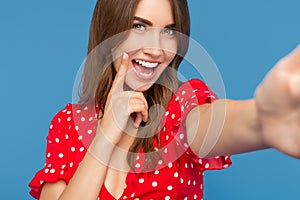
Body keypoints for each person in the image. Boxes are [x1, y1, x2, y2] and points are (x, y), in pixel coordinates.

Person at [29, 0, 300, 199]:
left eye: (169, 31)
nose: (157, 49)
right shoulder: (68, 125)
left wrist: (261, 120)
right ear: (108, 34)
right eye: (139, 26)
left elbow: (207, 124)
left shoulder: (181, 104)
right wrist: (106, 136)